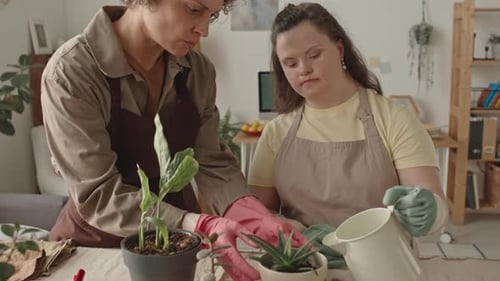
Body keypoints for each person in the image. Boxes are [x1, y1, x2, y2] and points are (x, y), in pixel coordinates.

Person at [41, 1, 304, 280]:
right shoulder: (73, 72)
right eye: (193, 9)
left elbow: (210, 159)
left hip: (180, 243)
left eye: (212, 16)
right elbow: (98, 194)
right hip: (95, 245)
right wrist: (195, 223)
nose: (203, 30)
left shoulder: (198, 71)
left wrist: (250, 212)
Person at [248, 2, 448, 241]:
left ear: (340, 50)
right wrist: (289, 228)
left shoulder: (395, 119)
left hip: (383, 264)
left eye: (314, 55)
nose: (304, 69)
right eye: (291, 63)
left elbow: (434, 209)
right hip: (303, 263)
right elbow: (259, 213)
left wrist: (430, 211)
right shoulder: (275, 132)